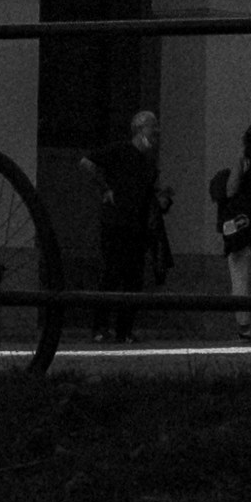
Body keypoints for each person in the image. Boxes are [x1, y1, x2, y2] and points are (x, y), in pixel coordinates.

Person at [92, 111, 172, 342]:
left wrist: (162, 201)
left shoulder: (148, 162)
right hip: (116, 223)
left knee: (134, 280)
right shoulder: (120, 150)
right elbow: (88, 162)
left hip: (137, 227)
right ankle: (100, 328)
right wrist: (105, 189)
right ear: (138, 129)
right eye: (152, 126)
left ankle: (123, 330)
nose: (156, 132)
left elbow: (147, 195)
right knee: (111, 275)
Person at [208, 123, 251, 316]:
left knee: (239, 274)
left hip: (243, 220)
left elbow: (231, 189)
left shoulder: (242, 160)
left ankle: (243, 326)